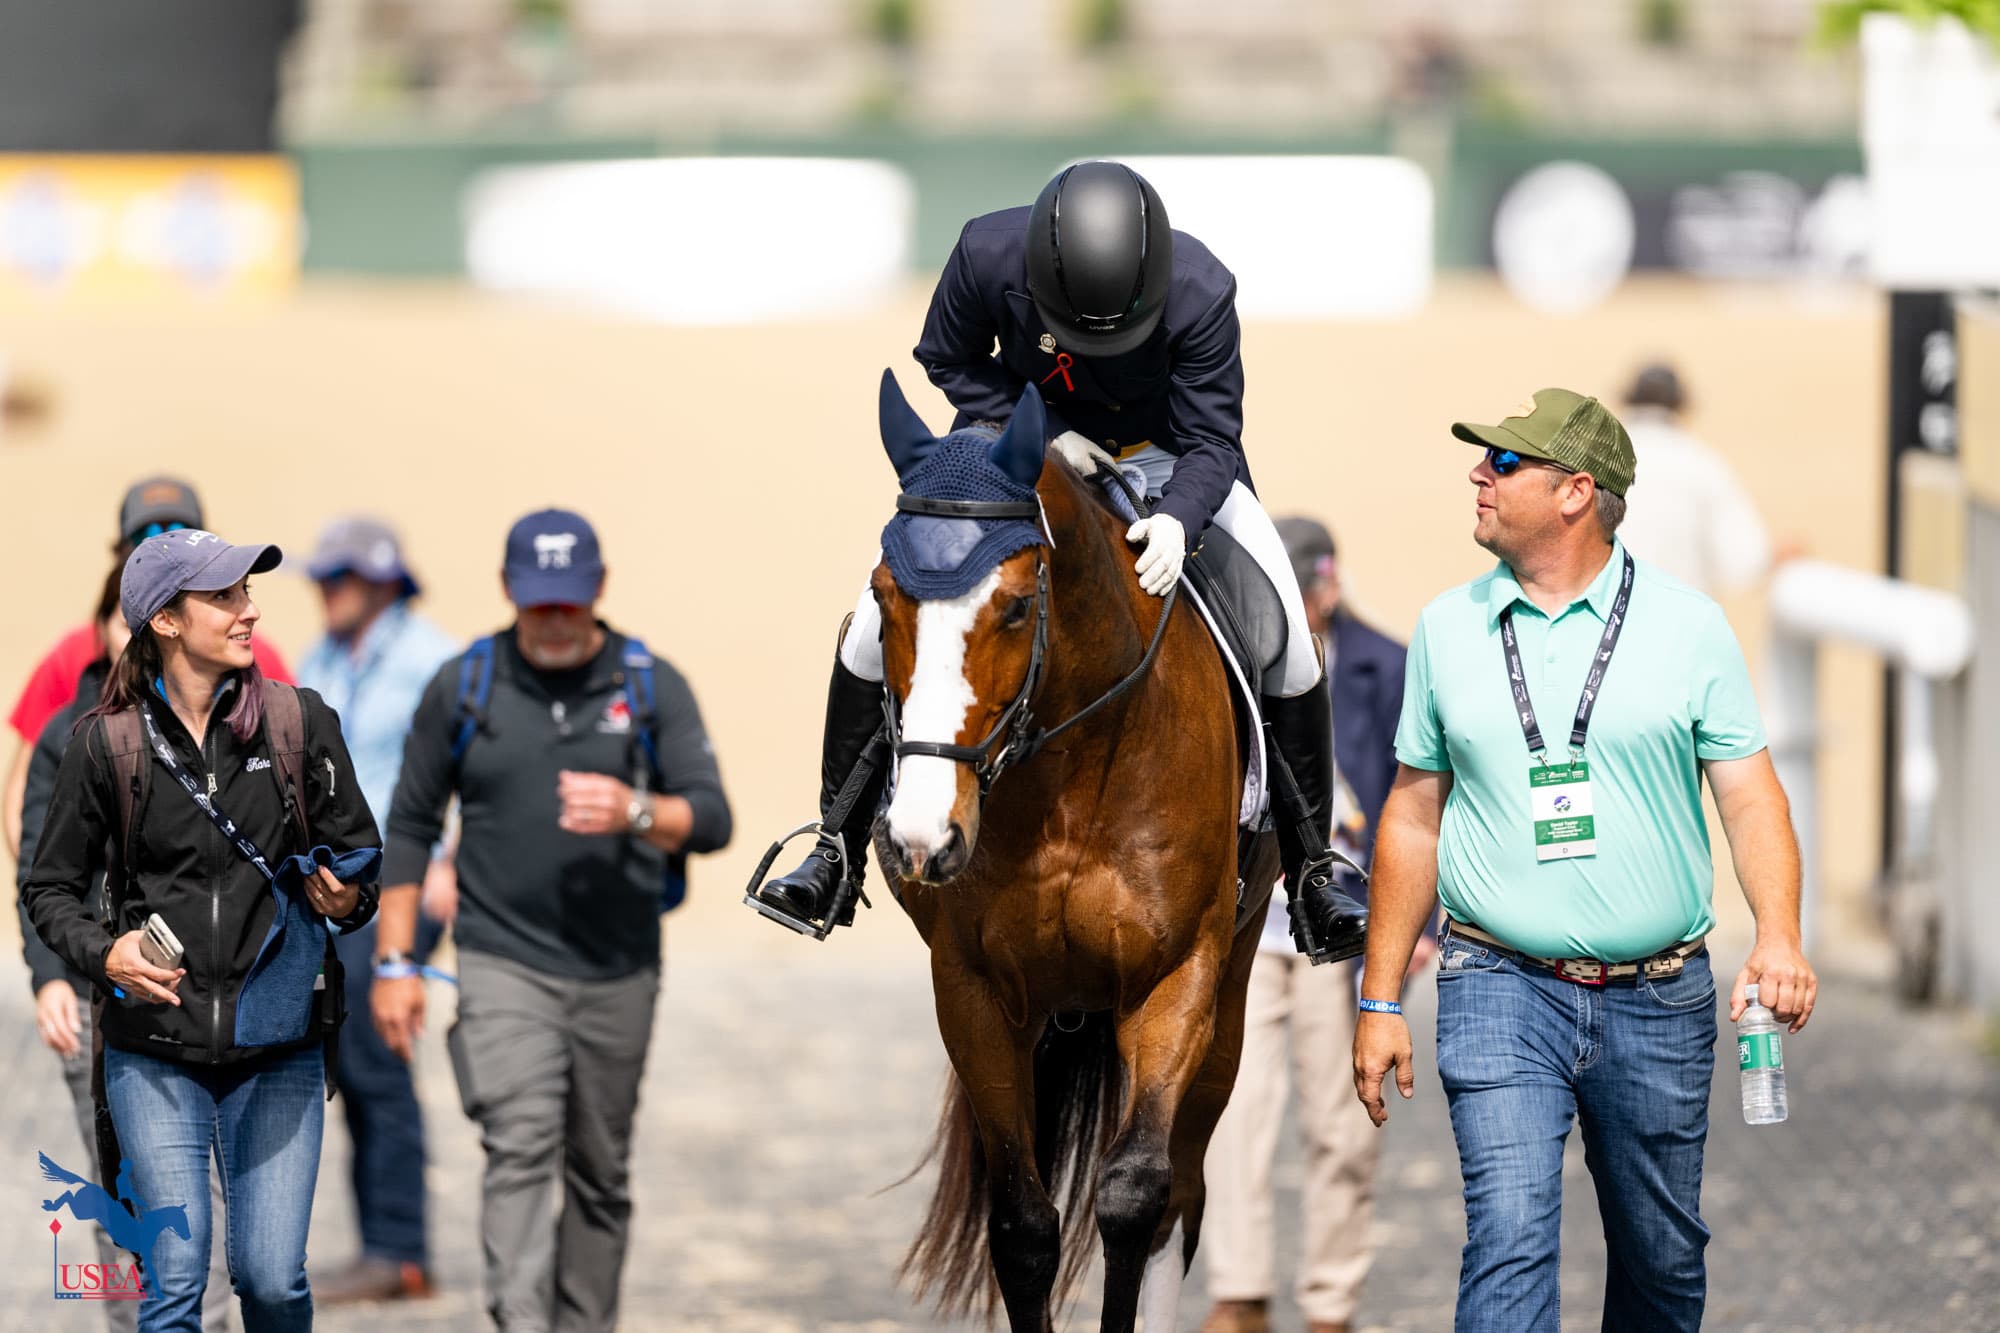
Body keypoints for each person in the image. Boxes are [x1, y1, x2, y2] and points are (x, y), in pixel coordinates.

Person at [751, 160, 1368, 963]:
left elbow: (1214, 437)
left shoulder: (1203, 289)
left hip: (1167, 459)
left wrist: (1179, 520)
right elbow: (949, 360)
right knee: (875, 617)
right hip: (1013, 452)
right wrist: (1038, 435)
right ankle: (833, 844)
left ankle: (1312, 871)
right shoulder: (985, 253)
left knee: (1285, 630)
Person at [1351, 389, 1818, 1332]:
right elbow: (1411, 815)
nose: (1479, 473)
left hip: (1660, 993)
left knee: (1660, 1257)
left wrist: (1778, 935)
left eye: (1504, 462)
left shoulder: (1691, 626)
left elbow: (1750, 794)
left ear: (1576, 492)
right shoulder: (1446, 627)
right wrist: (1380, 994)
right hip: (1496, 983)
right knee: (1509, 1241)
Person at [370, 509, 731, 1333]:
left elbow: (711, 818)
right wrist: (394, 963)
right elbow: (411, 827)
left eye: (570, 601)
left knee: (600, 1170)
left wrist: (637, 810)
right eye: (540, 603)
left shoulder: (649, 683)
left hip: (621, 967)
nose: (557, 620)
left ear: (598, 590)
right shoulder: (464, 685)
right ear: (509, 592)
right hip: (503, 962)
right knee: (520, 1145)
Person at [23, 527, 382, 1332]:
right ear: (166, 621)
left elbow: (361, 866)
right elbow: (49, 889)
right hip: (151, 1052)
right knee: (176, 1280)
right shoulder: (103, 743)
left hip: (281, 1046)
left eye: (247, 593)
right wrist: (101, 951)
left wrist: (344, 900)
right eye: (223, 597)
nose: (248, 611)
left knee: (271, 1280)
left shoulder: (299, 723)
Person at [1200, 518, 1410, 1333]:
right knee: (1233, 1114)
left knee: (1342, 1123)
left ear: (1326, 583)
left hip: (1345, 936)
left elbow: (1413, 800)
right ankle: (1240, 1292)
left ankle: (1330, 1305)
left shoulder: (1384, 665)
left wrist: (1410, 926)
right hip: (1249, 926)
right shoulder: (1230, 655)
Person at [293, 517, 460, 1304]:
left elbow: (471, 764)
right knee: (345, 1053)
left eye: (343, 578)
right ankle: (384, 1246)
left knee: (371, 1048)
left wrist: (450, 862)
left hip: (407, 876)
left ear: (387, 579)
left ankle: (399, 1248)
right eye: (323, 579)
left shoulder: (433, 658)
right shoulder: (321, 658)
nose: (328, 591)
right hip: (334, 884)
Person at [4, 477, 293, 860]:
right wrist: (48, 897)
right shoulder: (71, 655)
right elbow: (25, 792)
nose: (160, 545)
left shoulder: (252, 651)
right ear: (120, 549)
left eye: (179, 532)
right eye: (146, 533)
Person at [1613, 362, 1774, 596]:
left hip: (1604, 617)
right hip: (1679, 617)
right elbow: (1743, 561)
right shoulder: (1703, 463)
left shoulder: (1600, 459)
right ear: (1681, 405)